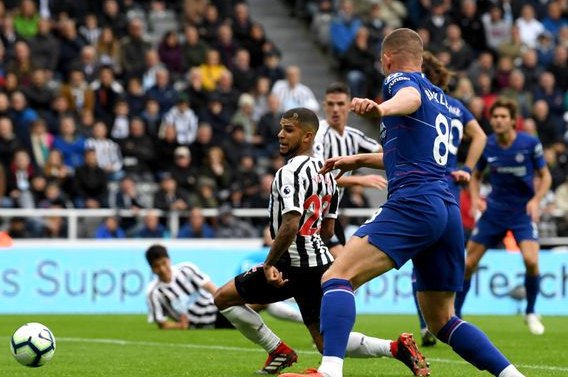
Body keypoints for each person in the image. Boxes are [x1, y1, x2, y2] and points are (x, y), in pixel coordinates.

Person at [296, 28, 525, 377]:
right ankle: (513, 375)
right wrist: (356, 159)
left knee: (337, 276)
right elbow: (409, 154)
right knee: (442, 320)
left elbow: (408, 98)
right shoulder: (446, 103)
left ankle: (329, 371)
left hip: (414, 201)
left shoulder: (399, 80)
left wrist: (379, 108)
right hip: (446, 208)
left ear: (388, 58)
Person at [213, 108, 426, 376]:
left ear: (307, 136)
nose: (280, 134)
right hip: (320, 265)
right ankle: (395, 348)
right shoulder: (329, 173)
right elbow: (328, 228)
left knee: (223, 299)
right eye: (281, 128)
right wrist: (312, 248)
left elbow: (290, 223)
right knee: (328, 344)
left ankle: (277, 349)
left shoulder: (288, 173)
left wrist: (269, 264)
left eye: (288, 130)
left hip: (291, 265)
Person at [408, 51, 487, 347]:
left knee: (421, 258)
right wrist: (466, 168)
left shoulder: (422, 102)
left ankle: (427, 323)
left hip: (425, 184)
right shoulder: (455, 106)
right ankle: (449, 317)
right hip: (451, 189)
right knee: (450, 258)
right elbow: (480, 136)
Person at [455, 98, 552, 335]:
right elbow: (475, 176)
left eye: (502, 117)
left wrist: (535, 200)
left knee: (531, 261)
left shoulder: (529, 143)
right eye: (494, 117)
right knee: (468, 264)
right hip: (494, 213)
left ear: (512, 121)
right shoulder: (487, 144)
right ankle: (455, 315)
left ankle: (530, 311)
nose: (497, 120)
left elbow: (546, 176)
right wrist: (476, 199)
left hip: (521, 213)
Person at [144, 245, 304, 334]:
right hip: (208, 321)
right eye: (157, 266)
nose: (163, 269)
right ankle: (307, 322)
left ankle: (307, 321)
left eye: (164, 263)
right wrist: (179, 326)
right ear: (152, 269)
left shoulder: (185, 269)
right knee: (264, 302)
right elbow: (162, 324)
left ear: (169, 260)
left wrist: (225, 300)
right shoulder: (154, 292)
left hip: (217, 308)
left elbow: (210, 287)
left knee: (262, 300)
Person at [313, 82, 384, 257]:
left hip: (330, 213)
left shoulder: (354, 136)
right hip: (313, 211)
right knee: (340, 262)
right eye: (331, 104)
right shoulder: (319, 134)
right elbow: (318, 177)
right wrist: (359, 180)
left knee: (333, 270)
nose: (335, 109)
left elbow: (386, 154)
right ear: (324, 106)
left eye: (340, 104)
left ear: (350, 106)